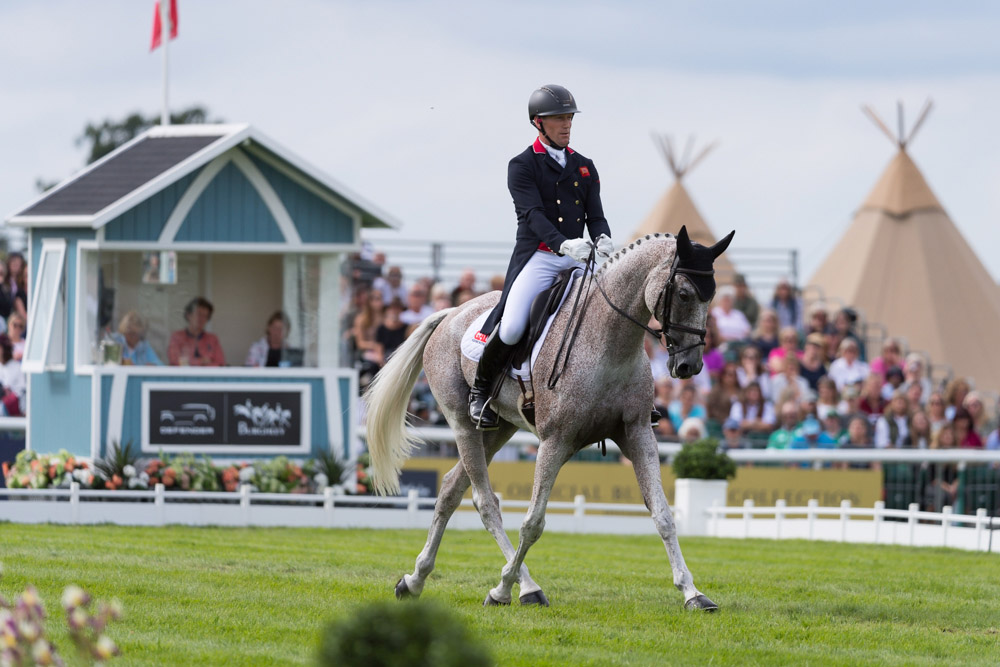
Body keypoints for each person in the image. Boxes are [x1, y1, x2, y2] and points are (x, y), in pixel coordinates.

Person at [471, 85, 612, 429]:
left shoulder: (584, 166)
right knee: (512, 326)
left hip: (579, 256)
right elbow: (532, 215)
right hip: (541, 255)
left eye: (569, 118)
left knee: (615, 309)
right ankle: (480, 391)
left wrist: (603, 238)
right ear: (538, 122)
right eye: (558, 118)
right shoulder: (522, 165)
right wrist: (563, 244)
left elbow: (595, 215)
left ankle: (628, 394)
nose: (566, 124)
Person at [167, 297, 225, 366]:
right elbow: (174, 360)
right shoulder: (177, 337)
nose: (201, 319)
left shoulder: (213, 339)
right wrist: (201, 361)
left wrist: (188, 361)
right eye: (198, 314)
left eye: (205, 316)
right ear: (188, 315)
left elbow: (220, 363)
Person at [374, 301, 408, 366]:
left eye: (397, 309)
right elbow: (379, 347)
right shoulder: (381, 328)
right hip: (386, 357)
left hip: (400, 357)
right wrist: (381, 361)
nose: (394, 312)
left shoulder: (406, 328)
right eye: (392, 309)